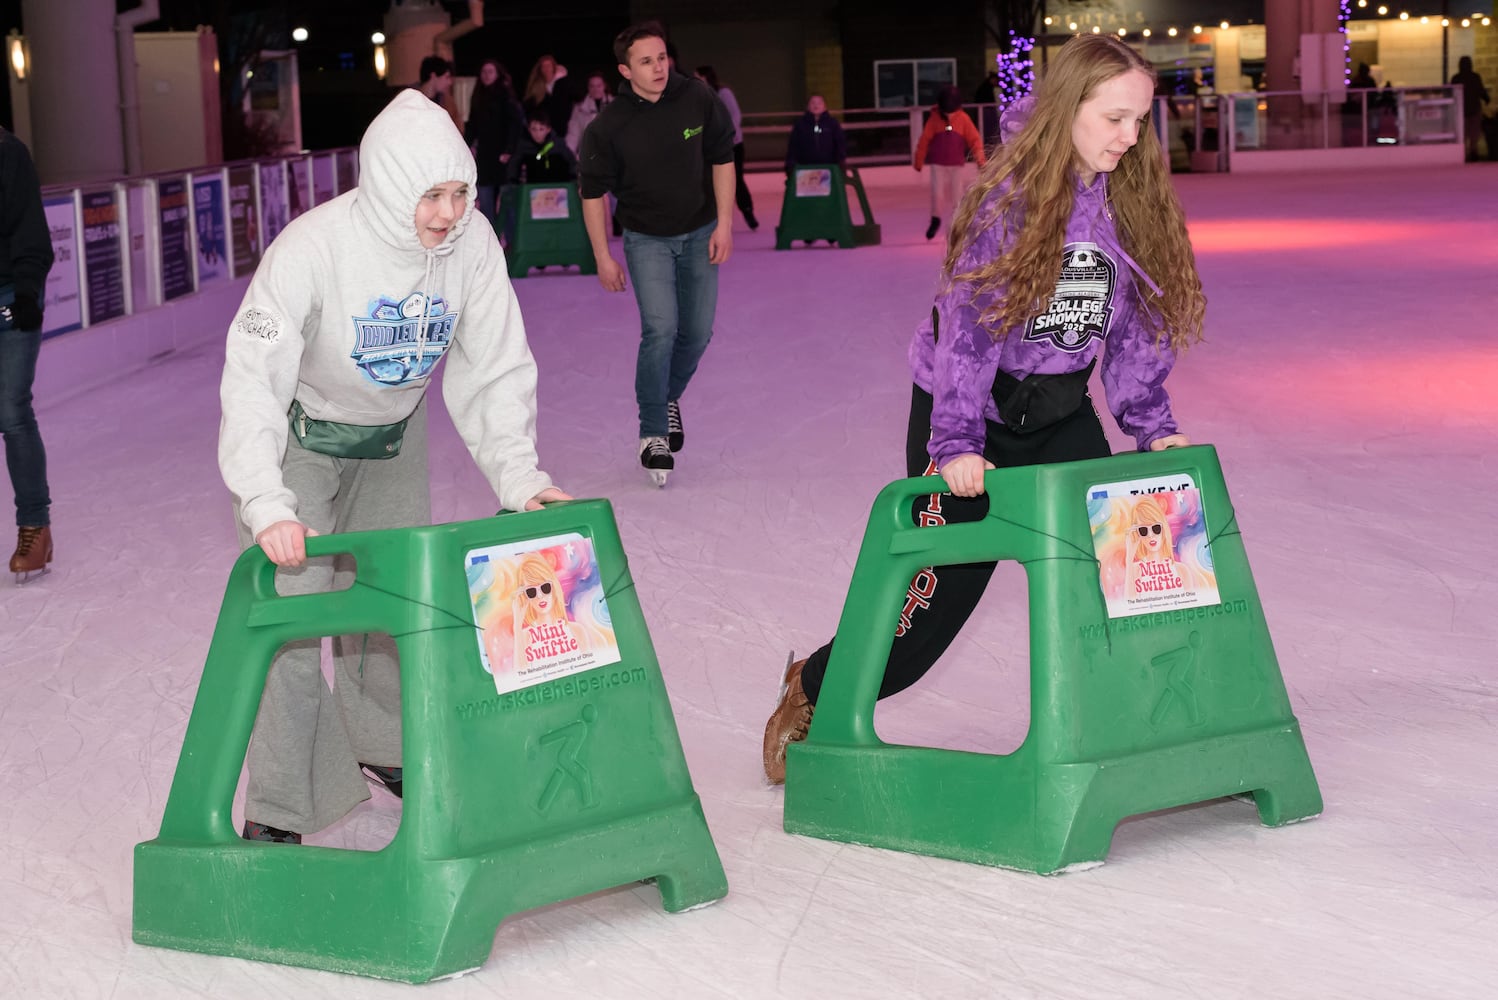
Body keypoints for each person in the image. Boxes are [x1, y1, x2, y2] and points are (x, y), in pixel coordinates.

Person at [762, 34, 1207, 783]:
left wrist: (1152, 427)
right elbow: (964, 332)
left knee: (1132, 557)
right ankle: (812, 683)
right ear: (1068, 108)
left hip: (1062, 414)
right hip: (973, 415)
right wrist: (959, 441)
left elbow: (1132, 333)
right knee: (927, 622)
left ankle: (1148, 716)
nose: (1131, 139)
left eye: (1140, 122)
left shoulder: (1127, 205)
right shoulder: (1009, 203)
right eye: (1114, 119)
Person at [218, 90, 571, 843]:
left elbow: (495, 365)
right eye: (430, 196)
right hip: (299, 438)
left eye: (458, 193)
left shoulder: (472, 243)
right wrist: (266, 501)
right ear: (385, 187)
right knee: (290, 617)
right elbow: (253, 377)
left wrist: (520, 477)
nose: (448, 212)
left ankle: (384, 746)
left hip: (392, 435)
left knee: (387, 607)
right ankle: (284, 801)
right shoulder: (312, 249)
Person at [577, 22, 735, 488]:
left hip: (701, 230)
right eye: (646, 61)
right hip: (646, 238)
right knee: (661, 329)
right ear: (625, 70)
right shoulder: (608, 127)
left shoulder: (697, 97)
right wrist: (602, 256)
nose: (659, 67)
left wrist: (725, 223)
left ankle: (667, 396)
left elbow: (723, 158)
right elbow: (592, 194)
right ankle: (652, 433)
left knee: (699, 332)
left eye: (662, 57)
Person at [0, 126, 55, 584]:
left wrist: (26, 293)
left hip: (9, 300)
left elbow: (30, 231)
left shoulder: (7, 153)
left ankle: (34, 528)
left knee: (11, 410)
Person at [913, 84, 986, 241]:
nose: (949, 114)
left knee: (957, 195)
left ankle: (959, 223)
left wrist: (981, 160)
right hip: (938, 163)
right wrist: (919, 159)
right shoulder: (934, 120)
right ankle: (935, 218)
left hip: (956, 163)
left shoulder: (963, 119)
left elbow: (975, 140)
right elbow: (924, 140)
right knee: (937, 193)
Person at [694, 66, 758, 231]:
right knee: (712, 181)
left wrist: (730, 136)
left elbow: (735, 115)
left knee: (736, 179)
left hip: (733, 145)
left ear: (705, 77)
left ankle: (747, 211)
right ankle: (714, 218)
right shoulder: (699, 96)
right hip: (712, 146)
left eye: (697, 76)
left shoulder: (724, 93)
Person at [464, 58, 524, 226]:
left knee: (506, 200)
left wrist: (509, 150)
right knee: (485, 198)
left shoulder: (505, 95)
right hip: (485, 155)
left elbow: (515, 125)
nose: (486, 75)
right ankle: (490, 236)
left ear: (497, 74)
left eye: (490, 71)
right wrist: (465, 145)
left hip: (503, 156)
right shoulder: (478, 96)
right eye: (484, 72)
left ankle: (511, 240)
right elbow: (473, 125)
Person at [507, 109, 578, 184]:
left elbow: (571, 162)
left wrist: (573, 178)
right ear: (529, 129)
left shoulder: (558, 145)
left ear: (548, 129)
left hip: (558, 187)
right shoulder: (524, 146)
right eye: (533, 129)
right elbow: (513, 165)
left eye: (541, 129)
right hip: (533, 188)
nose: (537, 133)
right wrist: (513, 180)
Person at [784, 94, 847, 172]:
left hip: (829, 168)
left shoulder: (832, 124)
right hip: (805, 169)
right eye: (813, 103)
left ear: (825, 106)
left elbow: (840, 144)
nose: (816, 105)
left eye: (819, 103)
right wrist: (790, 164)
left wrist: (841, 161)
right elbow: (793, 146)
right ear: (808, 106)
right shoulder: (800, 125)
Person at [523, 54, 575, 146]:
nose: (546, 69)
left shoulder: (562, 84)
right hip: (542, 131)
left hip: (561, 129)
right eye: (543, 66)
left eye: (548, 66)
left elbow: (568, 103)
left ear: (553, 67)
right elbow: (529, 107)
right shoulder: (536, 87)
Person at [1451, 56, 1490, 161]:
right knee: (1474, 133)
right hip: (1474, 109)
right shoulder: (1475, 77)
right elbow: (1481, 90)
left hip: (1461, 111)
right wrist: (1487, 99)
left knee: (1463, 133)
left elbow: (1451, 94)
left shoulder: (1456, 78)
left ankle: (1462, 153)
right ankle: (1473, 152)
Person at [565, 71, 614, 156]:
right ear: (588, 87)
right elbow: (573, 134)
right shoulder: (579, 109)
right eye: (592, 86)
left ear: (604, 86)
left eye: (598, 86)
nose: (595, 89)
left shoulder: (616, 105)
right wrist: (569, 154)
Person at [416, 55, 462, 134]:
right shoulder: (411, 100)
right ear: (433, 76)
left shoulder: (448, 102)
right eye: (446, 77)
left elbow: (458, 131)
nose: (450, 82)